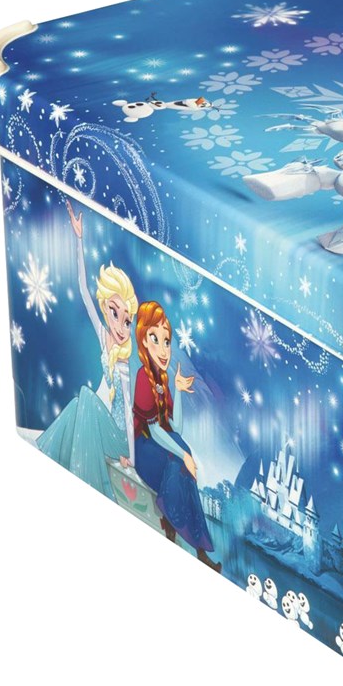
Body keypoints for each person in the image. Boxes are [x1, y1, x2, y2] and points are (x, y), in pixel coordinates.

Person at [37, 202, 138, 497]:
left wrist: (131, 458)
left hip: (118, 436)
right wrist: (79, 239)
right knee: (76, 405)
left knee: (86, 398)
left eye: (127, 320)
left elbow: (128, 413)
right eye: (115, 314)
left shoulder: (124, 363)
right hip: (101, 422)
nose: (122, 326)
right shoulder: (104, 336)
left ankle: (85, 477)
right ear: (106, 308)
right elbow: (83, 290)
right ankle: (46, 455)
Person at [132, 300, 221, 572]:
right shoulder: (143, 378)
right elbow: (155, 430)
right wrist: (184, 456)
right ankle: (183, 538)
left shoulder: (163, 381)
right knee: (180, 458)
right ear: (143, 341)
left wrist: (178, 391)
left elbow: (176, 426)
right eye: (155, 339)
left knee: (182, 455)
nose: (163, 349)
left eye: (167, 341)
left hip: (160, 445)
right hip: (144, 448)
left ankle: (196, 547)